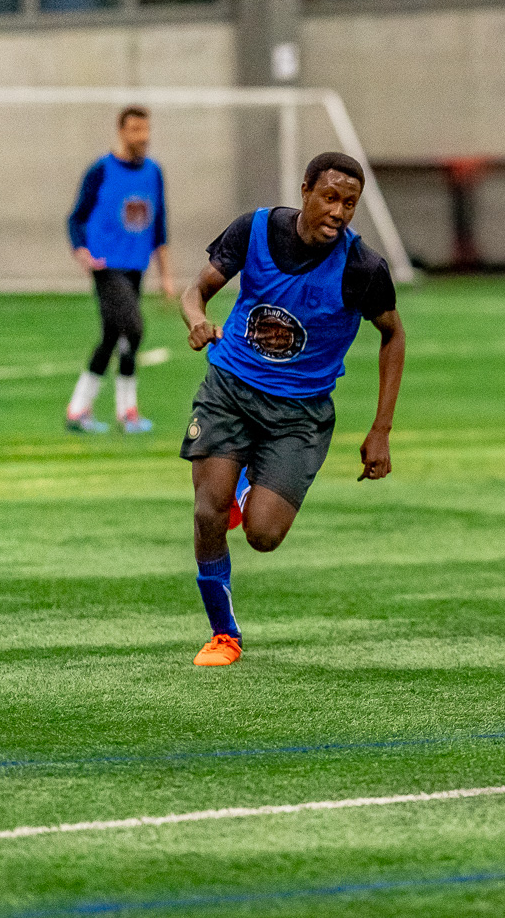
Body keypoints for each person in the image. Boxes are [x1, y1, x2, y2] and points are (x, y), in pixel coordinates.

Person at [178, 151, 406, 667]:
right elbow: (197, 290)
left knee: (263, 535)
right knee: (208, 510)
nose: (339, 212)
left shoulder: (362, 268)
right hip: (230, 389)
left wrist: (381, 429)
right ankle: (223, 634)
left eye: (350, 203)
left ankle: (245, 485)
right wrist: (196, 319)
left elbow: (393, 335)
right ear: (305, 190)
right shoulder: (255, 230)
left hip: (299, 415)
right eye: (330, 197)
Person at [64, 106, 177, 434]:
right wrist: (82, 251)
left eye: (146, 130)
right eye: (136, 130)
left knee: (113, 337)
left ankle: (79, 410)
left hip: (135, 267)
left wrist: (166, 276)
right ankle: (126, 412)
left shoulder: (153, 172)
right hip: (107, 267)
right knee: (134, 329)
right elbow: (76, 218)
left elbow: (160, 227)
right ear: (122, 132)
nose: (143, 137)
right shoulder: (101, 170)